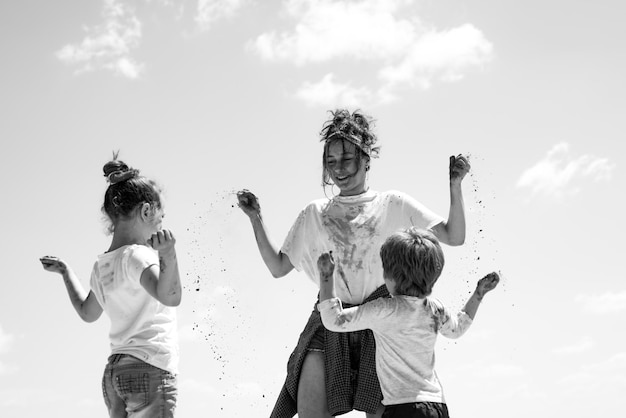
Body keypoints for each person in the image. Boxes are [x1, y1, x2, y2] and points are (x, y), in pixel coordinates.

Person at [237, 109, 471, 418]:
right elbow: (278, 267)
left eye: (346, 159)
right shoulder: (314, 212)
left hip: (383, 323)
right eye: (331, 162)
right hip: (331, 317)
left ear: (366, 159)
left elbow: (454, 236)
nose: (338, 169)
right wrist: (256, 218)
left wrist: (455, 185)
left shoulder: (393, 203)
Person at [40, 155, 181, 418]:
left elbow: (87, 312)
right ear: (147, 211)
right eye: (159, 219)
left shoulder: (102, 266)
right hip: (149, 367)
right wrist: (169, 254)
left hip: (115, 372)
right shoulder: (138, 256)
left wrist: (65, 272)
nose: (159, 226)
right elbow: (170, 296)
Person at [317, 228, 500, 418]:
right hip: (436, 405)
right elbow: (458, 329)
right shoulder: (434, 309)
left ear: (391, 277)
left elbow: (334, 321)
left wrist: (326, 277)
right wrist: (478, 294)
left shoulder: (384, 309)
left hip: (402, 408)